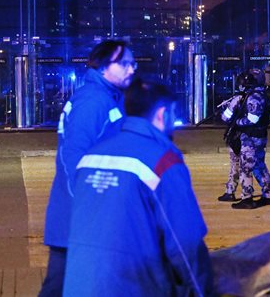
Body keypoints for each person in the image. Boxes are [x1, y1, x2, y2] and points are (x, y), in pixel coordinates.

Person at [63, 78, 214, 296]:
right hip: (132, 287)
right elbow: (185, 243)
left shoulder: (90, 158)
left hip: (78, 286)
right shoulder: (163, 162)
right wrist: (203, 291)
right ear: (163, 114)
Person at [40, 40, 136, 297]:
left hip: (87, 217)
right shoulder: (94, 102)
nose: (131, 69)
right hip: (83, 219)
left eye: (133, 63)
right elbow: (73, 158)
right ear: (103, 67)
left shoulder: (108, 98)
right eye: (124, 63)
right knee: (62, 286)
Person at [220, 68, 270, 209]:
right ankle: (268, 194)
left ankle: (247, 198)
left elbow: (252, 119)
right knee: (259, 165)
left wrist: (237, 121)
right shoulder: (258, 95)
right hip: (258, 136)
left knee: (246, 168)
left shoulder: (253, 97)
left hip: (250, 137)